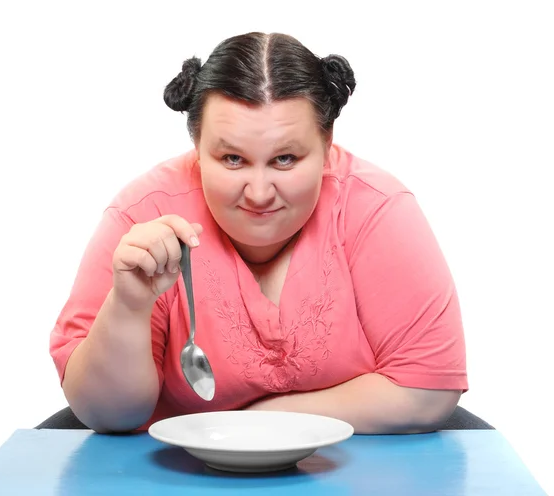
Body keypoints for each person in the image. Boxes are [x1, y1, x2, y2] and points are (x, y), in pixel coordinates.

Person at [49, 32, 467, 434]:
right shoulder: (142, 215)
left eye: (285, 158)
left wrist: (264, 421)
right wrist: (128, 305)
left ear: (326, 141)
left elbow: (425, 391)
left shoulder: (376, 208)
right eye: (232, 159)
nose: (260, 193)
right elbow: (107, 416)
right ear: (196, 145)